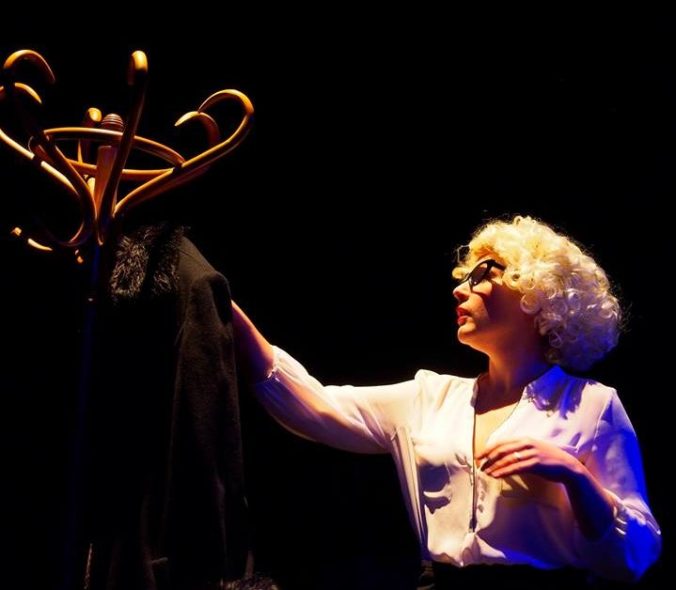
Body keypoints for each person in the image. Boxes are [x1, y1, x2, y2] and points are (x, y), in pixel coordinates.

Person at [231, 215, 661, 588]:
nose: (459, 290)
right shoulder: (429, 399)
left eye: (483, 274)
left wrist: (573, 474)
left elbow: (636, 555)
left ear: (538, 292)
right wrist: (217, 301)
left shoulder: (591, 406)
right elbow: (311, 404)